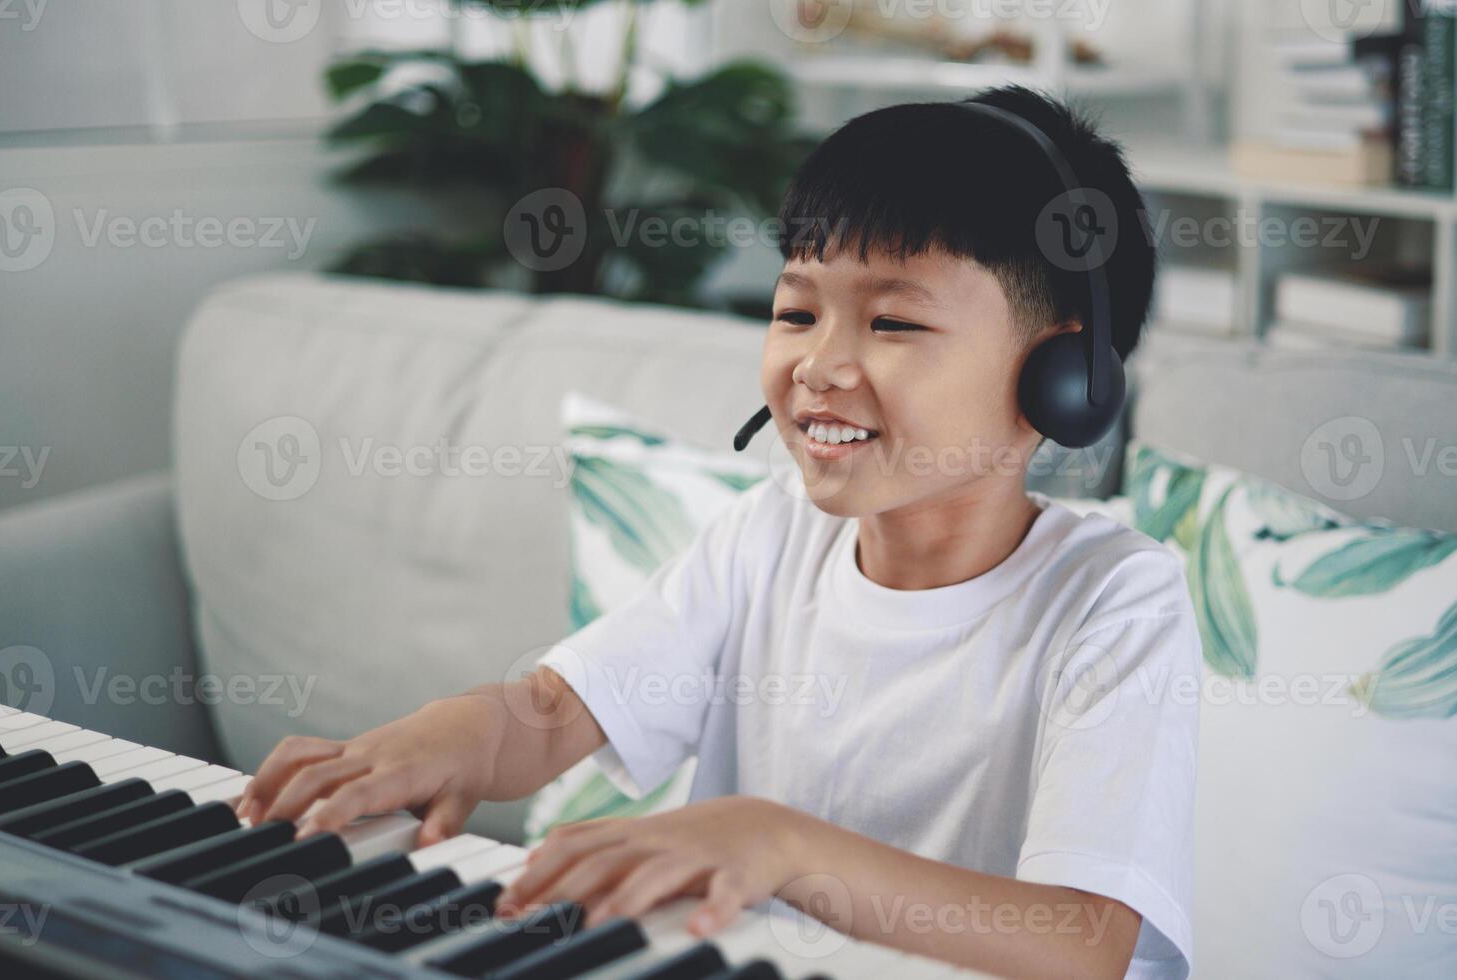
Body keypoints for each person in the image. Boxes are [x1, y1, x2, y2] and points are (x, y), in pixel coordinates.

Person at [238, 85, 1198, 979]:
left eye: (893, 323)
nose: (818, 366)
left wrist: (778, 843)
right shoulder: (765, 536)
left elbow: (1085, 939)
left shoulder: (1114, 598)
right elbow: (554, 712)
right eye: (795, 311)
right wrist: (448, 735)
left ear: (1062, 379)